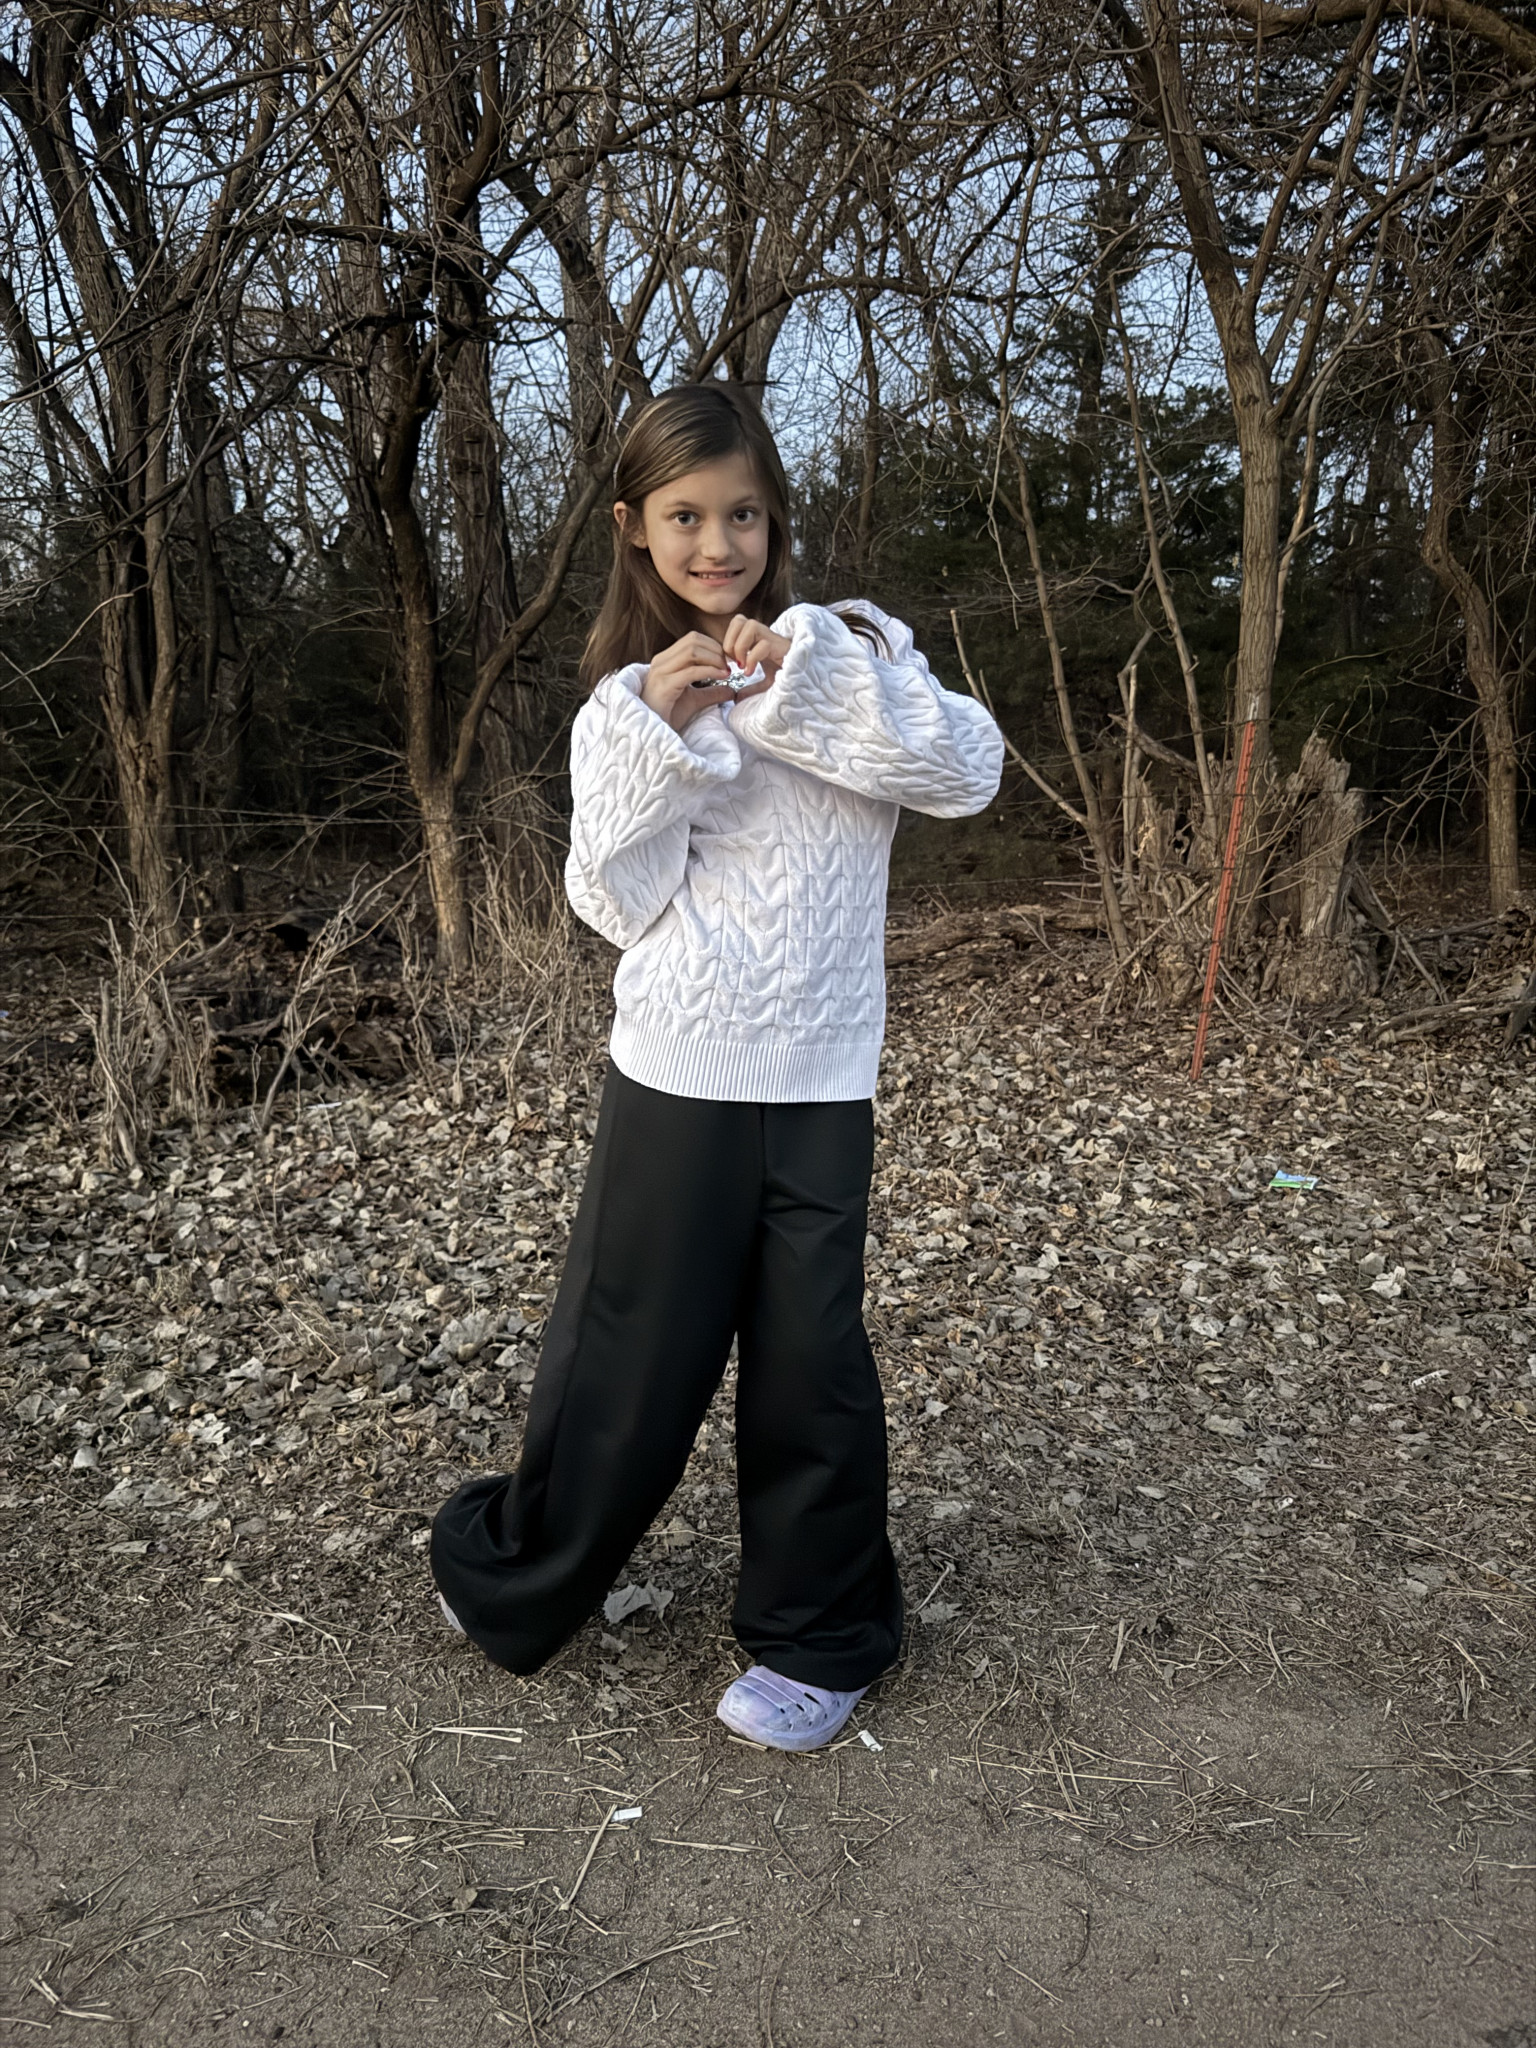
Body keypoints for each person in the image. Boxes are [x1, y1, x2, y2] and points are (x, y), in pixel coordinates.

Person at [431, 382, 1002, 1752]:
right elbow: (612, 904)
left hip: (820, 1080)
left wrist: (799, 677)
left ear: (774, 520)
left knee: (815, 1366)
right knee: (626, 1362)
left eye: (742, 514)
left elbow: (968, 771)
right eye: (685, 516)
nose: (716, 543)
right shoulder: (624, 707)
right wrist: (662, 739)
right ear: (635, 529)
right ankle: (519, 1569)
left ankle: (820, 1639)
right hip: (675, 1078)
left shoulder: (856, 649)